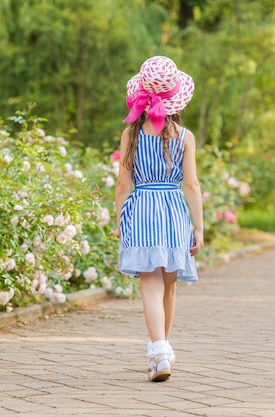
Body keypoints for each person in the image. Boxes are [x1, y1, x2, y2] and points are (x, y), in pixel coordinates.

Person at [112, 56, 204, 382]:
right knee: (169, 288)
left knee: (149, 287)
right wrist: (199, 227)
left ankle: (160, 352)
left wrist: (119, 219)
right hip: (174, 214)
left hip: (142, 212)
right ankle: (162, 351)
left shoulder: (130, 135)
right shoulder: (185, 137)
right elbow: (191, 185)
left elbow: (123, 185)